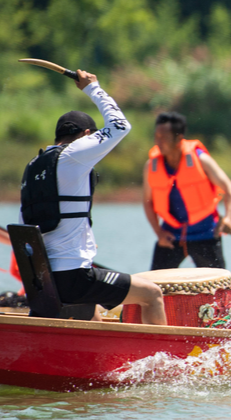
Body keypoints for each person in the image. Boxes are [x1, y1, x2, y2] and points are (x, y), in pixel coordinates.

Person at [19, 69, 165, 324]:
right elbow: (120, 126)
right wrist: (92, 88)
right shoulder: (75, 153)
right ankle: (165, 363)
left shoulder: (34, 166)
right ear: (87, 136)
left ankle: (98, 352)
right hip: (73, 277)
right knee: (153, 294)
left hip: (43, 281)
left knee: (94, 309)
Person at [142, 111, 231, 270]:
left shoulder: (201, 160)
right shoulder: (150, 166)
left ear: (179, 139)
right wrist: (158, 232)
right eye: (156, 136)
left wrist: (229, 218)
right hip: (170, 236)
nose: (158, 141)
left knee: (220, 286)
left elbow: (230, 190)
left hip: (205, 233)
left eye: (163, 137)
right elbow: (147, 202)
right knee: (154, 286)